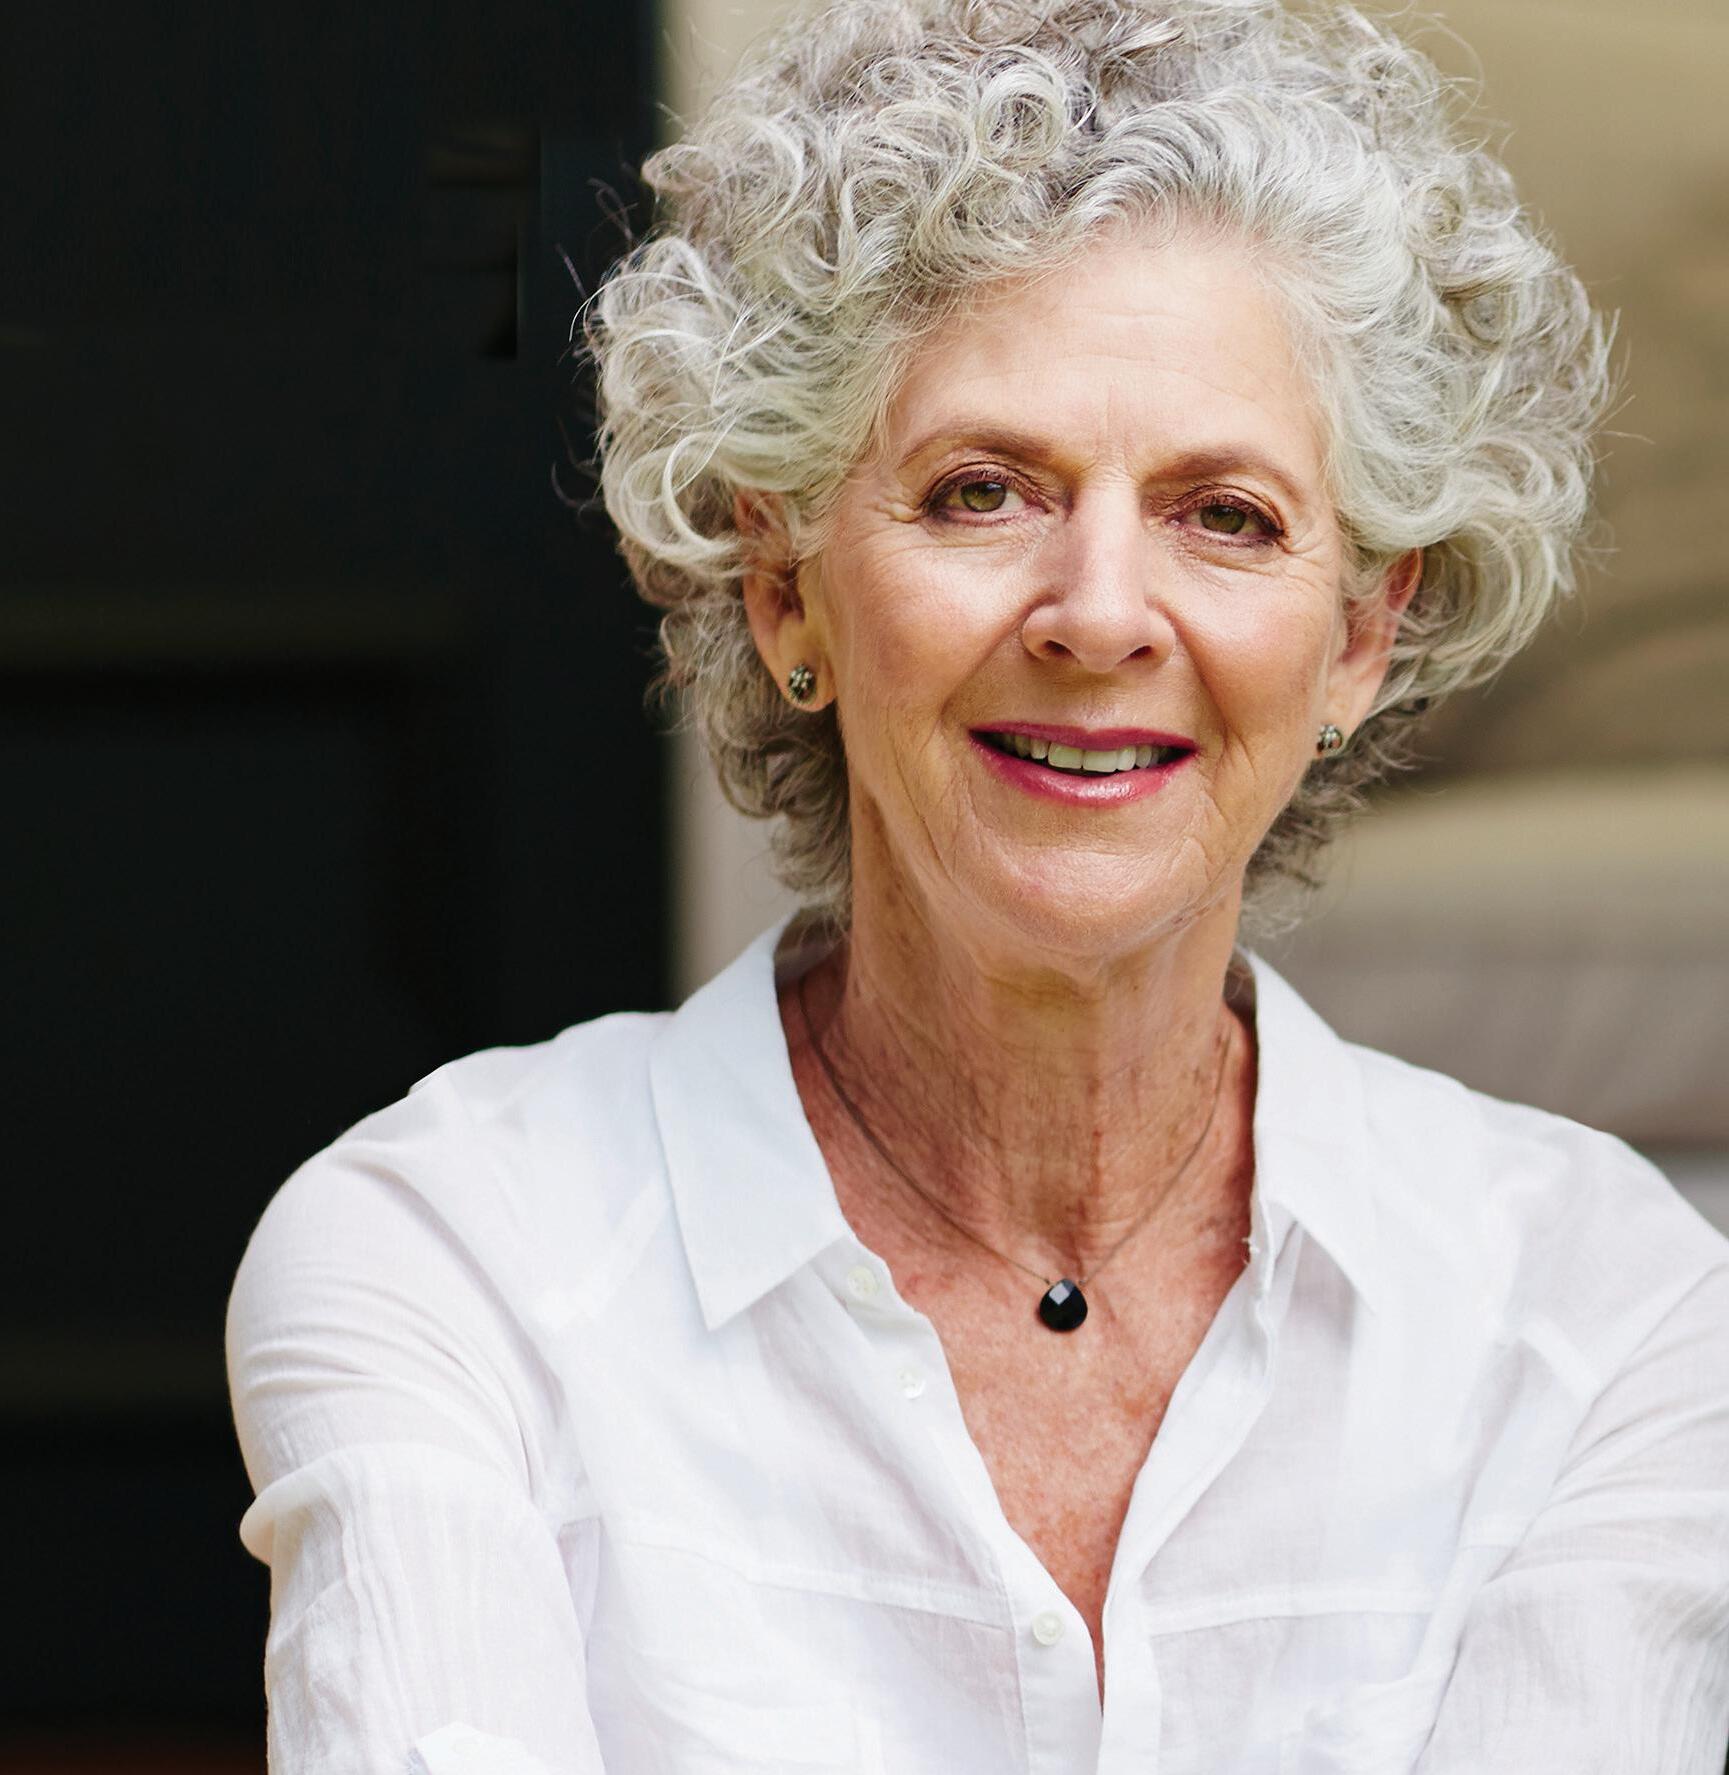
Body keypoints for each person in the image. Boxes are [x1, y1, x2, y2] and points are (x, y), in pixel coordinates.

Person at [225, 1, 1729, 1769]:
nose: (1099, 612)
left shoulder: (1605, 1314)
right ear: (783, 586)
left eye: (1225, 516)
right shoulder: (457, 1256)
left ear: (1357, 637)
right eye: (980, 493)